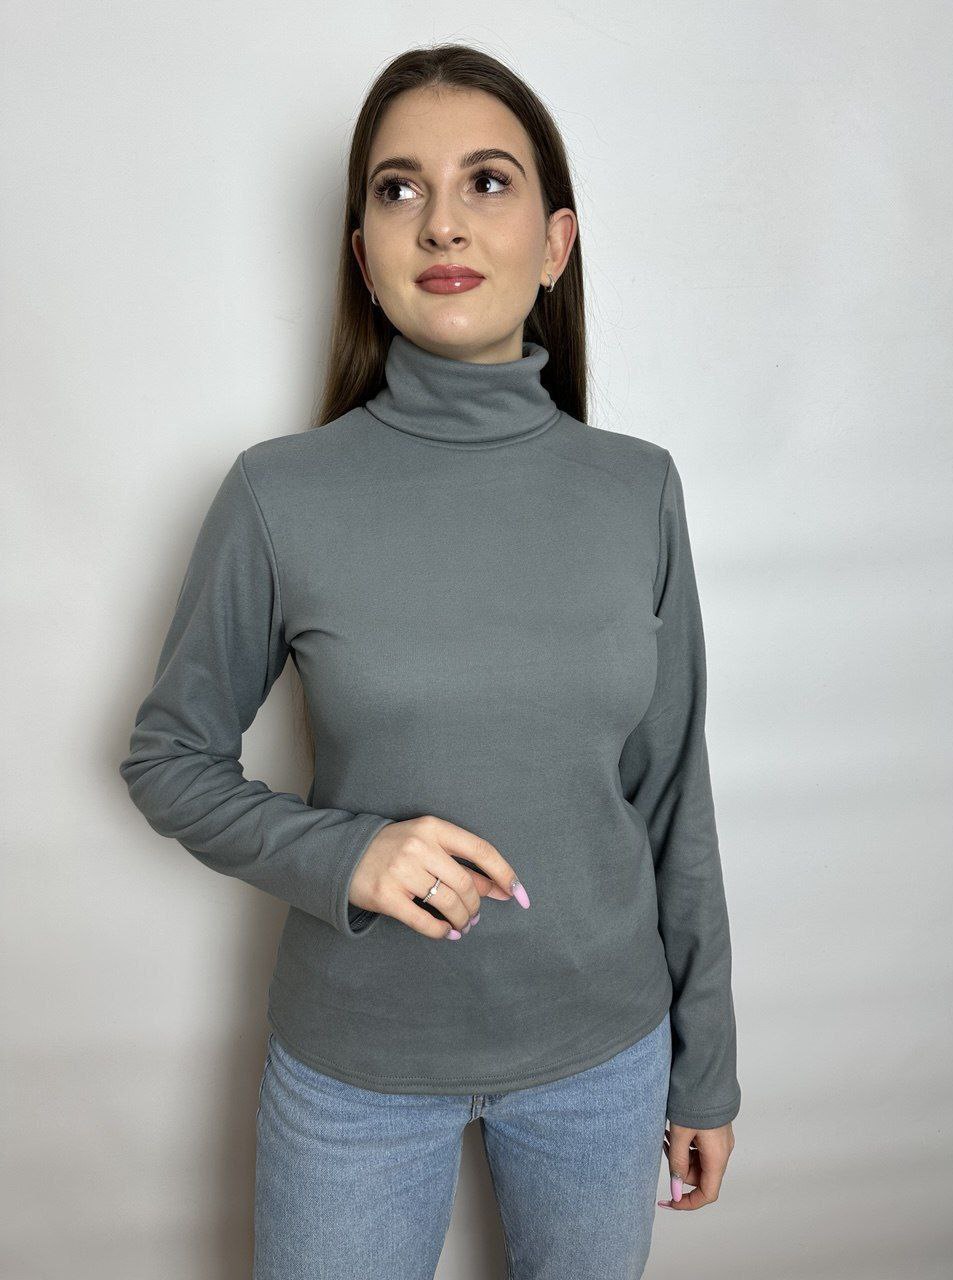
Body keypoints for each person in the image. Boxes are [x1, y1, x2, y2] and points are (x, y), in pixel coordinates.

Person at [119, 44, 740, 1280]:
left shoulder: (637, 490)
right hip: (355, 1065)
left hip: (604, 1054)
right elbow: (166, 757)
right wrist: (347, 853)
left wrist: (706, 1068)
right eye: (399, 188)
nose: (442, 221)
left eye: (487, 182)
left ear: (556, 245)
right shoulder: (278, 495)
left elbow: (674, 792)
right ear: (364, 254)